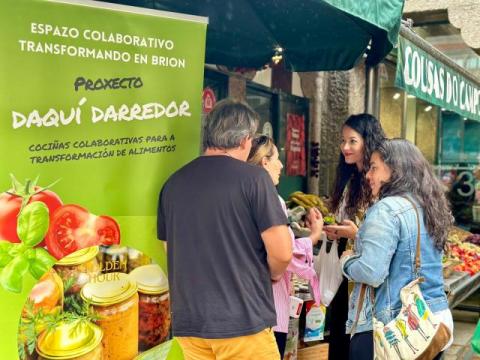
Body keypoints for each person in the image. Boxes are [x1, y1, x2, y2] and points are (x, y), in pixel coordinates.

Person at [157, 99, 292, 360]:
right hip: (243, 322)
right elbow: (282, 253)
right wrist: (272, 275)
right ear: (244, 141)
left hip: (190, 325)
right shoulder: (255, 179)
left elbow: (170, 249)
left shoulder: (173, 184)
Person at [340, 139, 454, 359]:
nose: (368, 175)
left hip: (395, 328)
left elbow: (371, 272)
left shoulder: (387, 209)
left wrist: (347, 261)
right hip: (433, 323)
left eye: (374, 167)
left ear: (395, 169)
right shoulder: (427, 205)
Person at [247, 135, 323, 358]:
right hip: (268, 305)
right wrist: (315, 235)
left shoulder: (238, 195)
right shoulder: (271, 199)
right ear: (264, 162)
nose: (281, 165)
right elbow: (286, 252)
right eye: (277, 159)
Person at [323, 113, 386, 360]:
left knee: (359, 340)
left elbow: (382, 235)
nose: (345, 147)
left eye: (352, 141)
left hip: (367, 274)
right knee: (340, 333)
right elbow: (342, 217)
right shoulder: (349, 180)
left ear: (367, 142)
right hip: (345, 268)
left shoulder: (382, 184)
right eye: (343, 141)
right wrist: (333, 229)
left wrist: (356, 234)